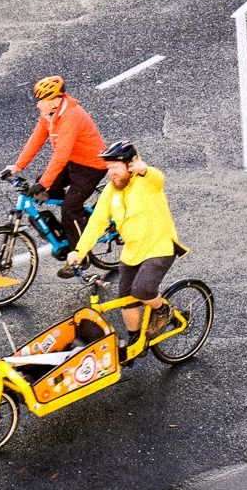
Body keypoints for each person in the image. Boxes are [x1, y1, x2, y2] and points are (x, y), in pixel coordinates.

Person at [67, 141, 188, 353]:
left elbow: (158, 178)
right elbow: (96, 222)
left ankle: (163, 310)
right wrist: (79, 252)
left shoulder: (146, 181)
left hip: (158, 247)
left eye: (115, 168)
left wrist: (145, 169)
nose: (110, 173)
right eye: (109, 169)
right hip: (132, 252)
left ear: (130, 165)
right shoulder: (111, 191)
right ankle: (135, 341)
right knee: (126, 299)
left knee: (142, 289)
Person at [4, 76, 108, 277]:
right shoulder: (49, 114)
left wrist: (44, 183)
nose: (37, 105)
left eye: (40, 101)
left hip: (91, 166)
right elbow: (36, 139)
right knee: (45, 191)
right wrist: (18, 166)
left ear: (53, 100)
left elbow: (60, 155)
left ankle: (81, 256)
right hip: (73, 162)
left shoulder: (71, 116)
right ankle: (68, 231)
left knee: (70, 208)